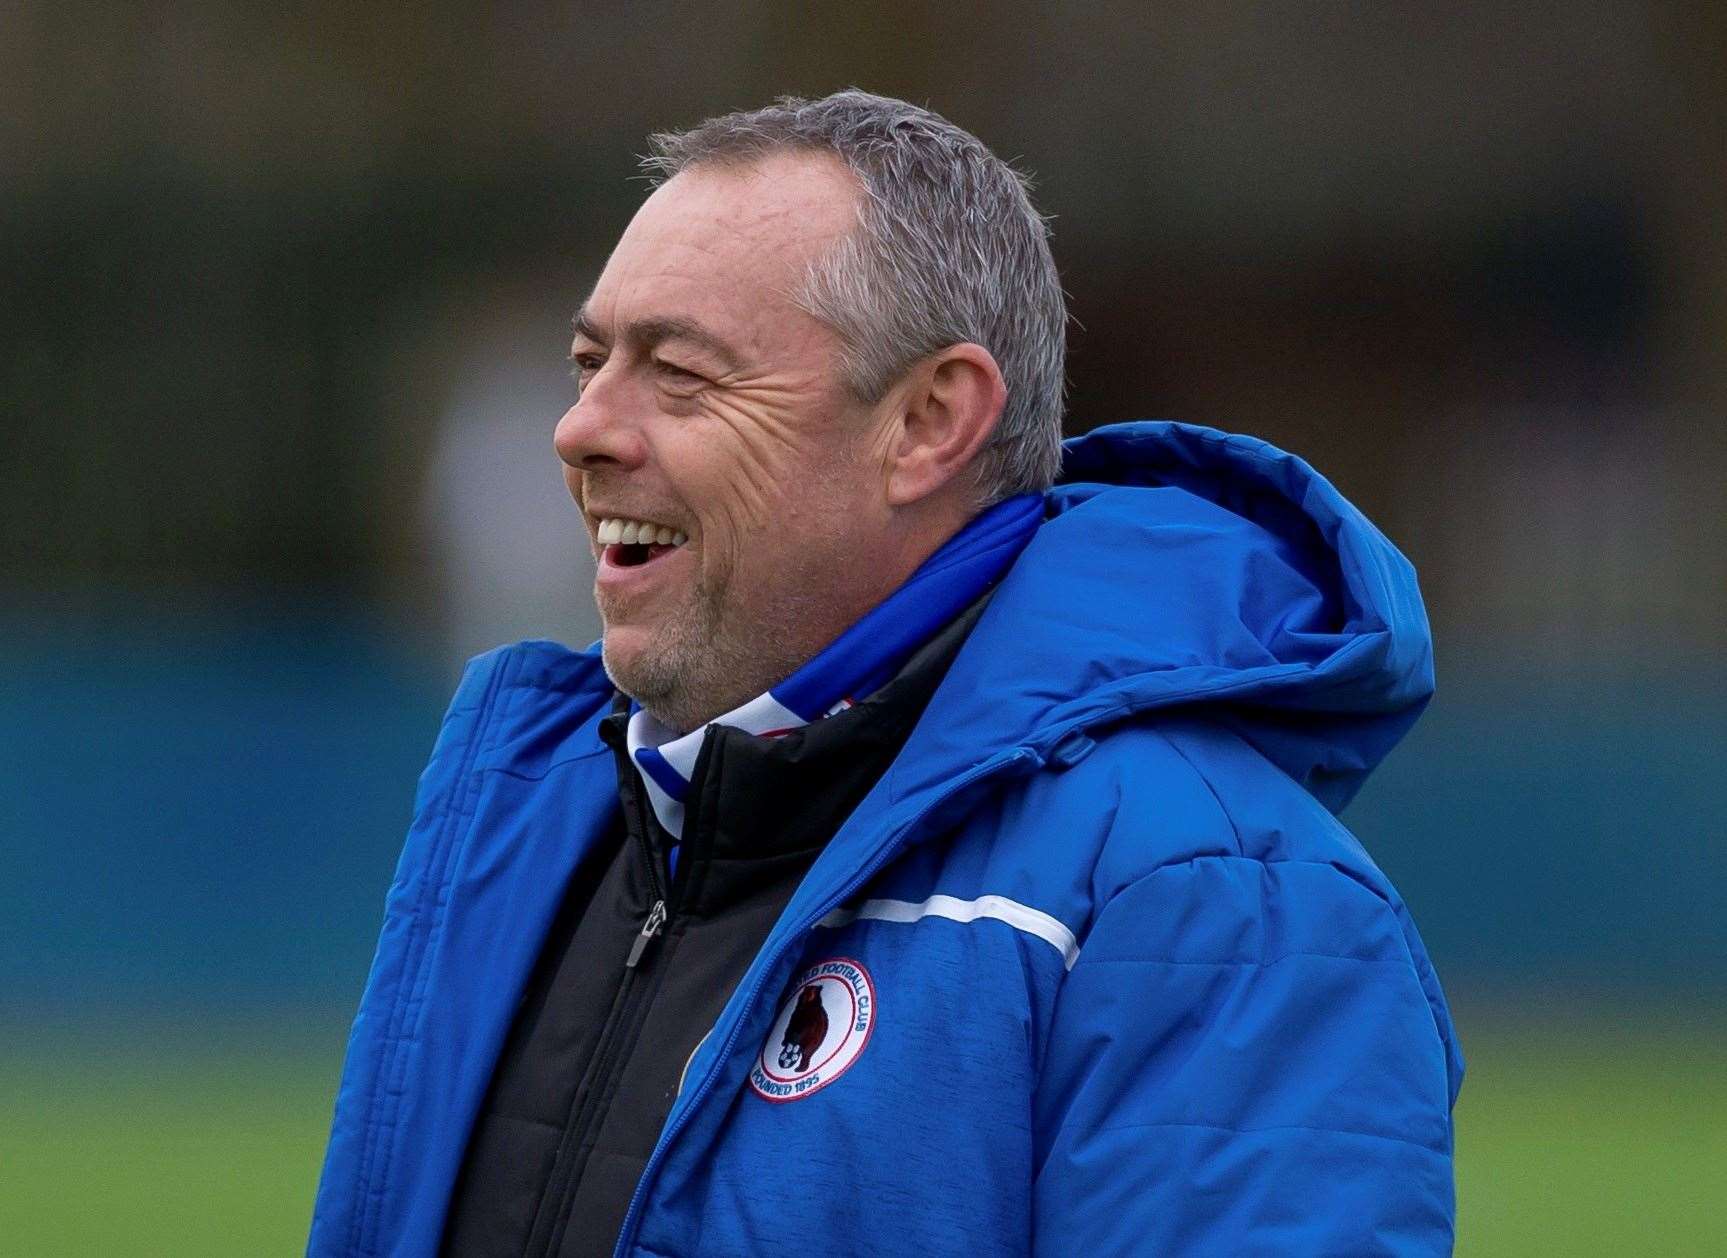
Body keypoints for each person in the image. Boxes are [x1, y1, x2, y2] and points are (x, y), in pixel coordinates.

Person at [308, 90, 1463, 1258]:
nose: (579, 429)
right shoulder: (533, 828)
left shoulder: (1211, 896)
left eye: (681, 374)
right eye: (588, 360)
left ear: (925, 422)